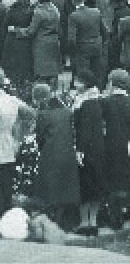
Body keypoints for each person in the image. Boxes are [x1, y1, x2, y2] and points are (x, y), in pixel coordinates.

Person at [0, 66, 36, 236]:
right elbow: (31, 114)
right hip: (11, 147)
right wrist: (19, 135)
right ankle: (7, 224)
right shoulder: (13, 100)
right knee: (7, 188)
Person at [31, 83, 80, 228]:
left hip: (50, 152)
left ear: (39, 98)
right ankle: (63, 218)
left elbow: (39, 137)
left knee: (50, 188)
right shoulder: (66, 112)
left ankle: (53, 220)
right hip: (68, 152)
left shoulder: (43, 114)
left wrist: (43, 149)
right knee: (65, 187)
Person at [72, 67, 106, 236]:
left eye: (77, 80)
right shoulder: (99, 99)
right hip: (99, 147)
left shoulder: (84, 102)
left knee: (85, 185)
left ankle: (84, 223)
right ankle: (93, 221)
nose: (74, 82)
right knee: (96, 185)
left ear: (84, 83)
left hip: (86, 149)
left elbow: (84, 129)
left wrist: (80, 150)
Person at [100, 68, 130, 230]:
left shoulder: (104, 102)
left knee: (111, 180)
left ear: (111, 83)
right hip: (127, 147)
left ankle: (114, 216)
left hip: (109, 147)